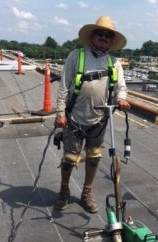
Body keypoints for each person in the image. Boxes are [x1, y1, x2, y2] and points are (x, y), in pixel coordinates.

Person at [54, 16, 130, 213]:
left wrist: (121, 98)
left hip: (99, 119)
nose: (104, 37)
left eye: (108, 35)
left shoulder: (114, 63)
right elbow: (64, 87)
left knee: (94, 157)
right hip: (74, 118)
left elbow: (121, 87)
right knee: (70, 158)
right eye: (100, 33)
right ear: (93, 36)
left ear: (111, 40)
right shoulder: (76, 56)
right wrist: (60, 112)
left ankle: (86, 193)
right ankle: (64, 190)